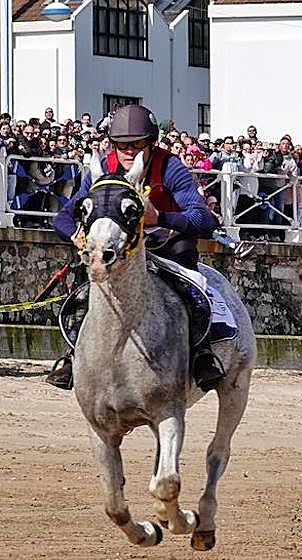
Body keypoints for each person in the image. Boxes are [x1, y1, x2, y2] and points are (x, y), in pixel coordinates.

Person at [46, 104, 225, 392]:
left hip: (168, 246)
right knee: (83, 287)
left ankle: (203, 355)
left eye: (138, 144)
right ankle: (71, 356)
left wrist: (160, 217)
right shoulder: (103, 169)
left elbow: (203, 219)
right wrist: (75, 235)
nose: (129, 151)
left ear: (151, 143)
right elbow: (65, 216)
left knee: (193, 285)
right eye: (122, 145)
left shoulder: (170, 166)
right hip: (122, 252)